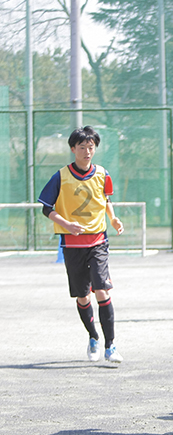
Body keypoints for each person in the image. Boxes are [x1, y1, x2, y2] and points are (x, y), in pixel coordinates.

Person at [38, 126, 125, 364]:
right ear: (73, 149)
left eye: (91, 147)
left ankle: (110, 345)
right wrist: (66, 223)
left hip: (98, 241)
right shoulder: (61, 176)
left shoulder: (102, 173)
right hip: (72, 245)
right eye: (83, 147)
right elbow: (47, 208)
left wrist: (113, 217)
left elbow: (105, 199)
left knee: (102, 290)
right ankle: (93, 336)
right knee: (83, 296)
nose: (87, 152)